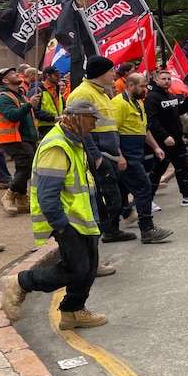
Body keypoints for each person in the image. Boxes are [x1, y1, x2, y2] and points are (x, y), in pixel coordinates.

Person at [0, 99, 109, 330]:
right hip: (68, 219)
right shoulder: (57, 146)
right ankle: (19, 282)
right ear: (77, 118)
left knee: (89, 266)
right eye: (92, 120)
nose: (94, 126)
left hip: (82, 216)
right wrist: (60, 225)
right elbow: (48, 194)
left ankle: (73, 311)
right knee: (76, 268)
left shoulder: (74, 141)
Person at [67, 56, 135, 243]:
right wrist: (95, 156)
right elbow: (79, 127)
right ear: (100, 72)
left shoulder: (103, 94)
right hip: (98, 155)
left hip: (110, 154)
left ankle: (113, 230)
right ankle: (103, 235)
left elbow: (111, 127)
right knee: (108, 197)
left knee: (116, 195)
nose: (114, 74)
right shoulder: (82, 94)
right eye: (111, 71)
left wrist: (118, 153)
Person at [110, 73, 173, 244]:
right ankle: (147, 229)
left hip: (136, 152)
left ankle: (110, 230)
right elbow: (112, 132)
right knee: (144, 187)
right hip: (127, 154)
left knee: (121, 192)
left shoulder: (138, 103)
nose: (145, 89)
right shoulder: (119, 104)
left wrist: (156, 147)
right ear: (130, 85)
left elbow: (144, 128)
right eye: (142, 86)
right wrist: (120, 156)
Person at [145, 70, 188, 207]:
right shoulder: (152, 98)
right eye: (164, 79)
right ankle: (148, 201)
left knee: (182, 168)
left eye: (168, 78)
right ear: (156, 80)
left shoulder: (170, 95)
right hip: (163, 141)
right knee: (157, 171)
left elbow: (179, 111)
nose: (167, 81)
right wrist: (164, 136)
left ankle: (187, 197)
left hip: (177, 140)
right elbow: (152, 121)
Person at [0, 67, 40, 216]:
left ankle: (21, 199)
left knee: (25, 167)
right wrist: (29, 105)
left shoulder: (21, 95)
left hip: (25, 138)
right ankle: (10, 194)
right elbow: (12, 116)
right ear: (5, 80)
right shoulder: (2, 98)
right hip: (13, 138)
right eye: (13, 74)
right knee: (26, 166)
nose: (17, 74)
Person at [31, 66, 65, 140]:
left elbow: (62, 106)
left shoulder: (57, 90)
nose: (58, 77)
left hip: (57, 125)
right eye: (56, 75)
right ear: (47, 76)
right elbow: (34, 109)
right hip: (43, 128)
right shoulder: (38, 90)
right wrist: (53, 118)